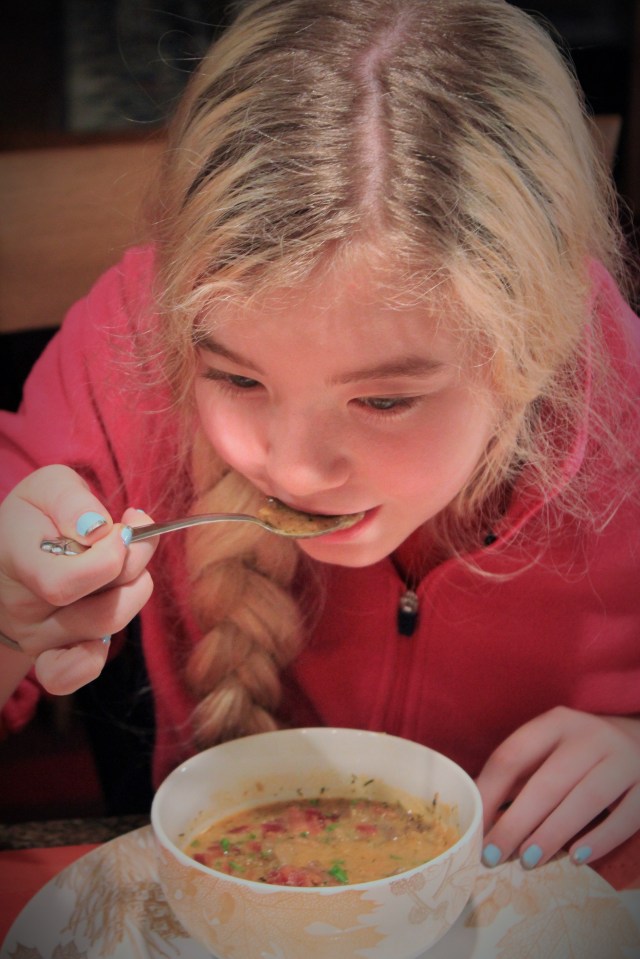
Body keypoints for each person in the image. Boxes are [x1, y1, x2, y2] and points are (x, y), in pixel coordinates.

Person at [0, 0, 639, 875]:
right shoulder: (135, 343)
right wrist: (6, 624)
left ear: (539, 339)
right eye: (235, 377)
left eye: (383, 401)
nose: (293, 469)